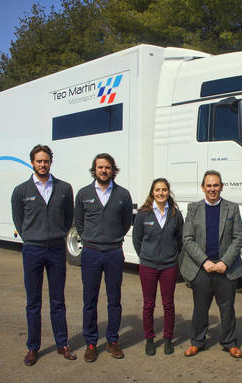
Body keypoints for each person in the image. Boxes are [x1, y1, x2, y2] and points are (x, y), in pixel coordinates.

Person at [11, 144, 76, 366]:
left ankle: (62, 344)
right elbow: (19, 220)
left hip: (56, 250)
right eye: (39, 161)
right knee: (33, 303)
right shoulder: (21, 191)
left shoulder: (65, 188)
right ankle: (33, 347)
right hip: (32, 250)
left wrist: (57, 235)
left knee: (58, 300)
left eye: (46, 161)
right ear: (32, 162)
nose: (42, 164)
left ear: (51, 162)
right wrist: (31, 237)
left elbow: (69, 217)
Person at [74, 153, 133, 362]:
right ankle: (91, 342)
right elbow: (79, 223)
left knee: (114, 300)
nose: (104, 170)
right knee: (89, 300)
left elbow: (126, 222)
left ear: (112, 170)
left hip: (113, 253)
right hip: (90, 253)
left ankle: (112, 341)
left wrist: (112, 238)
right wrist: (90, 239)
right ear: (94, 169)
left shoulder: (123, 195)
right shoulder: (83, 194)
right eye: (100, 167)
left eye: (107, 167)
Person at [180, 170, 242, 358]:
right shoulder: (193, 208)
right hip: (202, 268)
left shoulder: (232, 208)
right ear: (203, 187)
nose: (212, 189)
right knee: (200, 308)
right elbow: (188, 238)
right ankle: (197, 342)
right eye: (208, 185)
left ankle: (229, 343)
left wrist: (225, 261)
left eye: (216, 185)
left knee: (227, 309)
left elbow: (238, 238)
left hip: (226, 268)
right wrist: (205, 261)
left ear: (221, 186)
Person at [132, 178, 184, 356]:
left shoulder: (175, 214)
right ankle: (150, 339)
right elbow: (136, 239)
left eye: (164, 190)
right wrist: (147, 256)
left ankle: (168, 338)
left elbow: (180, 239)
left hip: (169, 265)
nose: (161, 193)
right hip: (148, 266)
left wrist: (170, 255)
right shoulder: (143, 214)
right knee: (148, 304)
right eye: (157, 190)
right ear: (152, 192)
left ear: (168, 192)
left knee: (168, 304)